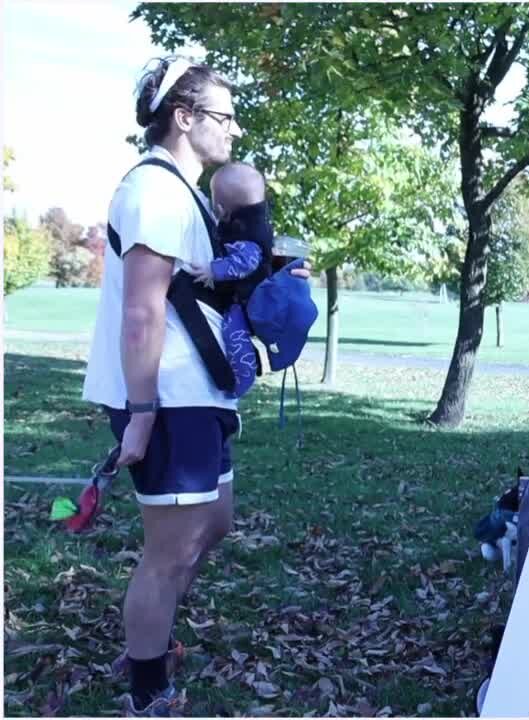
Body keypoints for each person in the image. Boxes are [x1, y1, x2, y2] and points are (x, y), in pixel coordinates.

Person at [80, 56, 309, 716]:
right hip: (168, 399)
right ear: (184, 118)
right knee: (170, 549)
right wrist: (143, 414)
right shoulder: (152, 191)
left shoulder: (187, 196)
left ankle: (150, 639)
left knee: (214, 524)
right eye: (224, 116)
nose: (234, 130)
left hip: (198, 395)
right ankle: (147, 685)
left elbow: (204, 289)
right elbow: (144, 310)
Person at [190, 161, 275, 398]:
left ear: (221, 209)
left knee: (234, 334)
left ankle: (243, 377)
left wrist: (213, 270)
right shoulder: (253, 222)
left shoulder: (247, 232)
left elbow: (247, 261)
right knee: (235, 332)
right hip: (245, 298)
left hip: (248, 302)